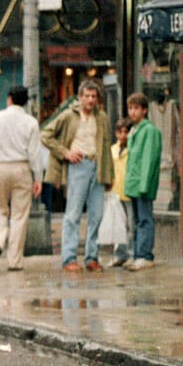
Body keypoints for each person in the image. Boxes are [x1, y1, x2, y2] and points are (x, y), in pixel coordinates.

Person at [41, 79, 112, 273]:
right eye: (87, 96)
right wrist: (65, 152)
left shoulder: (102, 117)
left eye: (93, 96)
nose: (90, 100)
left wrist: (109, 175)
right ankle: (69, 258)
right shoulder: (69, 116)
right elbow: (45, 135)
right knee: (73, 214)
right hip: (77, 166)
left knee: (97, 214)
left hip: (97, 165)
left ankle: (92, 257)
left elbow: (106, 147)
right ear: (80, 97)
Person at [0, 84, 43, 271]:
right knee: (19, 216)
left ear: (9, 98)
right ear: (26, 102)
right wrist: (38, 177)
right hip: (22, 168)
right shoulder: (31, 122)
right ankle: (15, 260)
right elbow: (35, 153)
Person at [123, 92, 164, 271]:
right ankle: (138, 254)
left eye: (136, 108)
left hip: (142, 183)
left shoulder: (149, 130)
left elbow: (149, 158)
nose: (133, 112)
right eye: (130, 108)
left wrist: (144, 183)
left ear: (145, 110)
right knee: (137, 220)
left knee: (144, 219)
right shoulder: (134, 130)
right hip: (133, 182)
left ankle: (145, 255)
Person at [106, 119, 132, 266]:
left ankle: (131, 253)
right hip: (116, 191)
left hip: (129, 191)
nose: (123, 135)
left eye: (126, 132)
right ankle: (119, 254)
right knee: (118, 225)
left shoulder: (132, 149)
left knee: (131, 225)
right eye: (120, 132)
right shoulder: (112, 150)